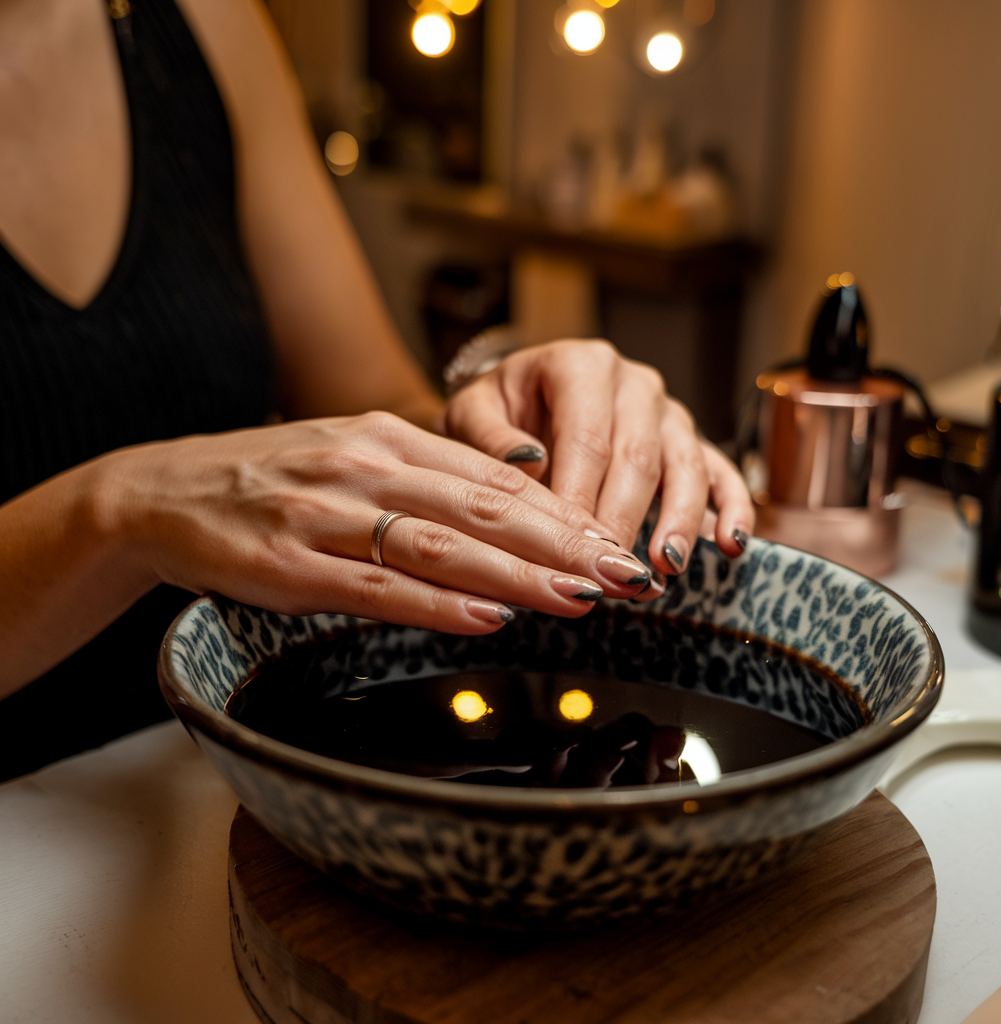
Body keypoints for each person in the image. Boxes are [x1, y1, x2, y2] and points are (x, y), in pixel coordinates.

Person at [0, 0, 753, 779]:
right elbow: (154, 502)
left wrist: (511, 427)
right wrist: (120, 509)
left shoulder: (203, 21)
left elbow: (371, 398)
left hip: (223, 770)